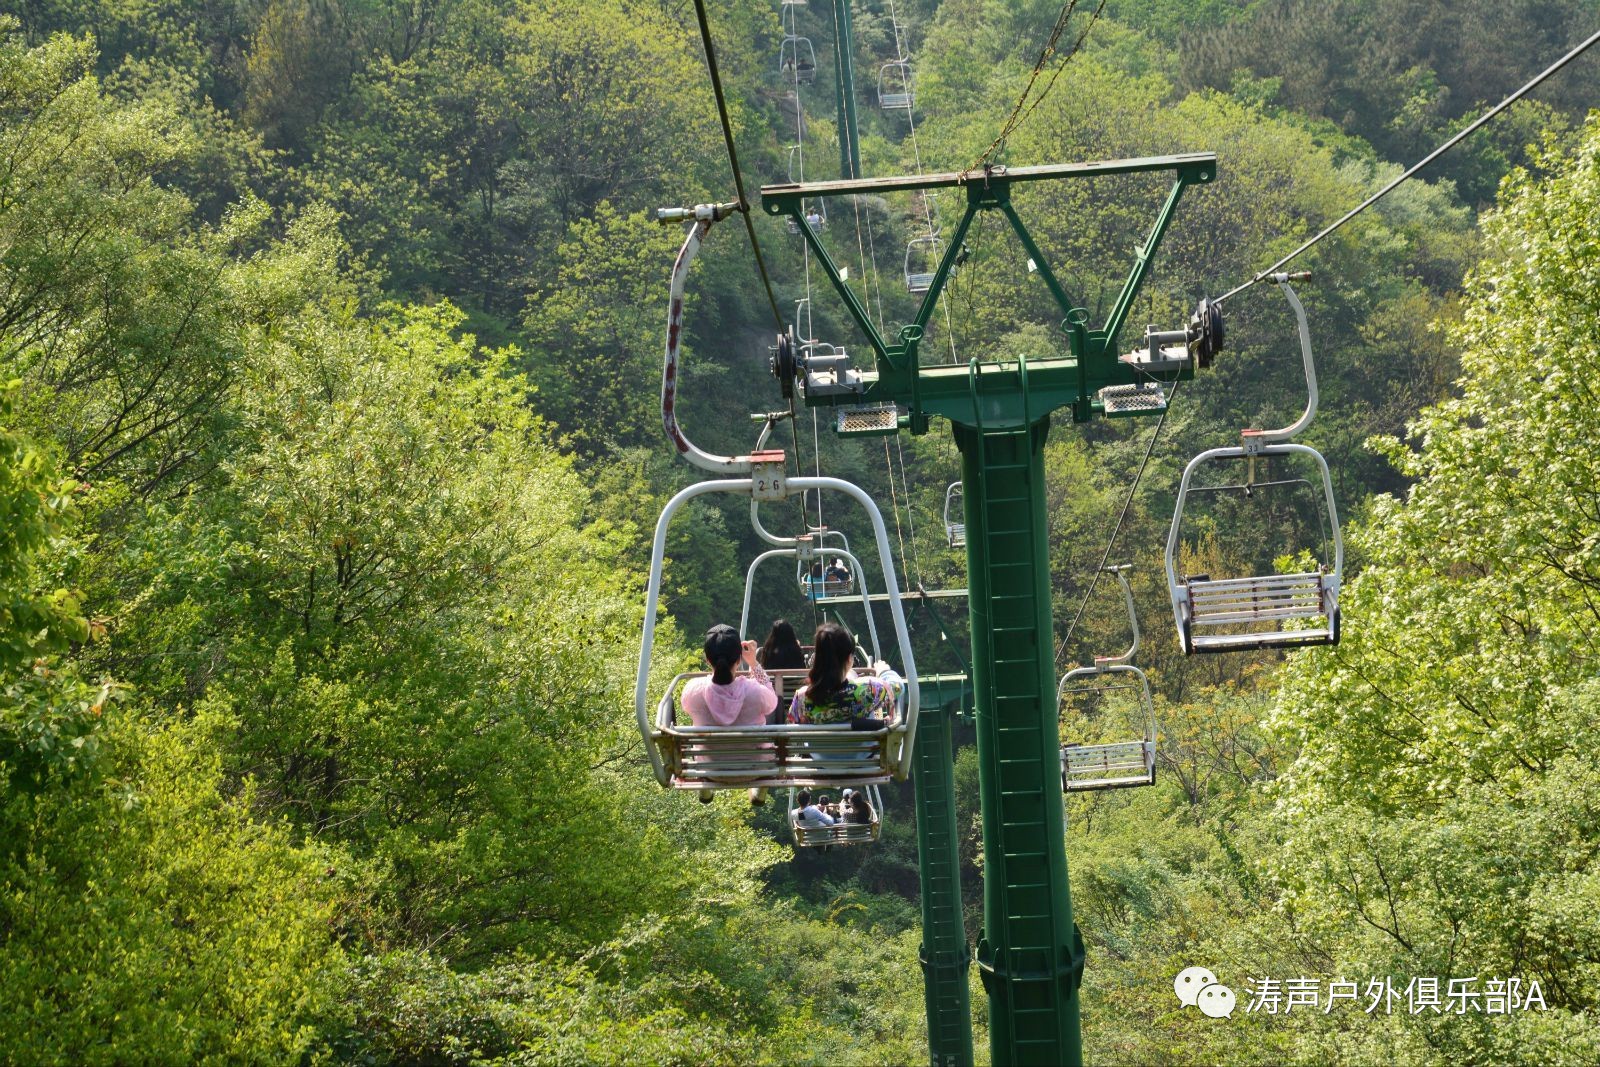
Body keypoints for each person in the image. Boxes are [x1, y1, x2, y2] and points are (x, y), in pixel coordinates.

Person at [681, 624, 779, 804]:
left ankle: (707, 785)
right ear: (738, 659)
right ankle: (759, 786)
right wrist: (753, 663)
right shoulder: (755, 692)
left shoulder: (693, 690)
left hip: (709, 769)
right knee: (768, 717)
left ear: (707, 660)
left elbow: (687, 709)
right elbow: (772, 701)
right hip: (755, 769)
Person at [787, 622, 901, 727]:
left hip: (819, 749)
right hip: (864, 749)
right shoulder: (869, 689)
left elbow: (792, 725)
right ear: (849, 659)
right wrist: (884, 671)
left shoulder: (802, 697)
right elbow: (897, 687)